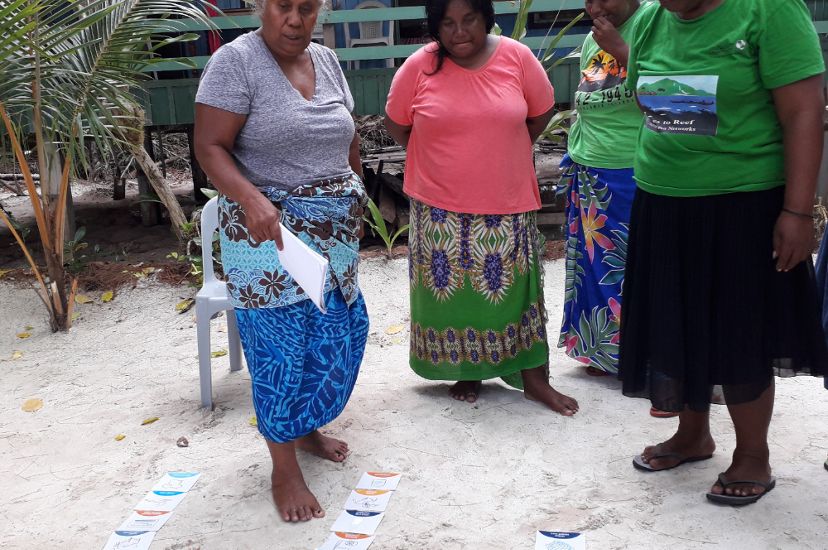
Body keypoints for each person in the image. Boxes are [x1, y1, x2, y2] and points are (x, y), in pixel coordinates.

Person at [620, 0, 828, 505]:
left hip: (743, 202)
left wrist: (797, 212)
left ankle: (753, 454)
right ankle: (693, 435)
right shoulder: (650, 20)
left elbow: (804, 112)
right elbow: (649, 100)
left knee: (742, 329)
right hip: (663, 197)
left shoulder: (769, 10)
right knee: (678, 320)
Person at [194, 0, 369, 522]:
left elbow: (348, 136)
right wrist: (250, 199)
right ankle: (283, 468)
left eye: (307, 7)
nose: (295, 18)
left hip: (332, 232)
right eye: (283, 6)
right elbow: (209, 147)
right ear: (259, 6)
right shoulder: (235, 63)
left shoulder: (327, 60)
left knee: (334, 335)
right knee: (279, 351)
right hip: (264, 234)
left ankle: (305, 426)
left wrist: (356, 196)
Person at [384, 0, 579, 415]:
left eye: (468, 19)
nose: (458, 32)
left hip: (507, 199)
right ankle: (466, 369)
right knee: (452, 297)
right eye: (447, 23)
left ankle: (534, 379)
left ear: (486, 18)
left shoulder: (517, 57)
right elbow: (398, 124)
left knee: (517, 293)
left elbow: (540, 113)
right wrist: (440, 158)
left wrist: (501, 149)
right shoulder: (419, 66)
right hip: (439, 206)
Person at [556, 0, 679, 417]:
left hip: (634, 169)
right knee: (597, 268)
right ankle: (606, 354)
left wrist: (621, 47)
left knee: (638, 270)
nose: (595, 6)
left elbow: (670, 95)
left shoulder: (654, 21)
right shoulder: (595, 35)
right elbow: (592, 99)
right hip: (592, 169)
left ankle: (654, 368)